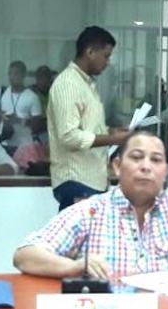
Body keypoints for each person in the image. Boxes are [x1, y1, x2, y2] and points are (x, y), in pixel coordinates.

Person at [13, 70, 168, 280]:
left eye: (155, 160)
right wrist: (74, 266)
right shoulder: (91, 211)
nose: (146, 166)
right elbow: (25, 255)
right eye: (136, 157)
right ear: (117, 166)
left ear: (165, 171)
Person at [47, 26, 131, 210]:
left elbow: (87, 128)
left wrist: (111, 131)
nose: (108, 62)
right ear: (90, 52)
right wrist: (111, 139)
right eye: (106, 56)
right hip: (77, 182)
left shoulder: (86, 85)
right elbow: (68, 136)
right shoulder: (69, 84)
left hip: (92, 181)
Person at [0, 60, 43, 154]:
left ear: (23, 75)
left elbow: (37, 126)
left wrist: (19, 120)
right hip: (3, 142)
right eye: (10, 74)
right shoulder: (2, 92)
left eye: (16, 74)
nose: (12, 77)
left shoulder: (32, 97)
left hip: (23, 146)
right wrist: (1, 115)